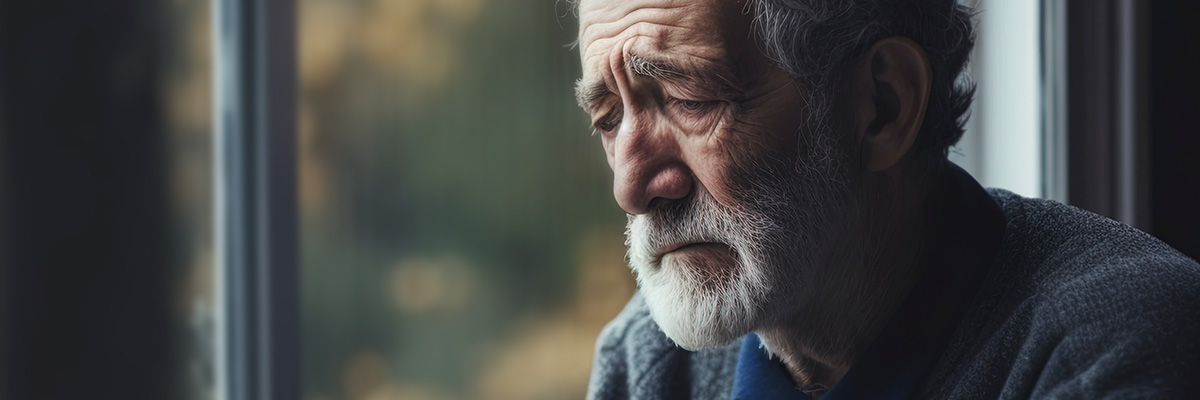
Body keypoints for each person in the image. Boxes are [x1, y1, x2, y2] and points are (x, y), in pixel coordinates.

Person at [572, 0, 1200, 398]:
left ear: (883, 105)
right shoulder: (649, 365)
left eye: (690, 99)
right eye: (608, 119)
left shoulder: (1113, 351)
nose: (630, 188)